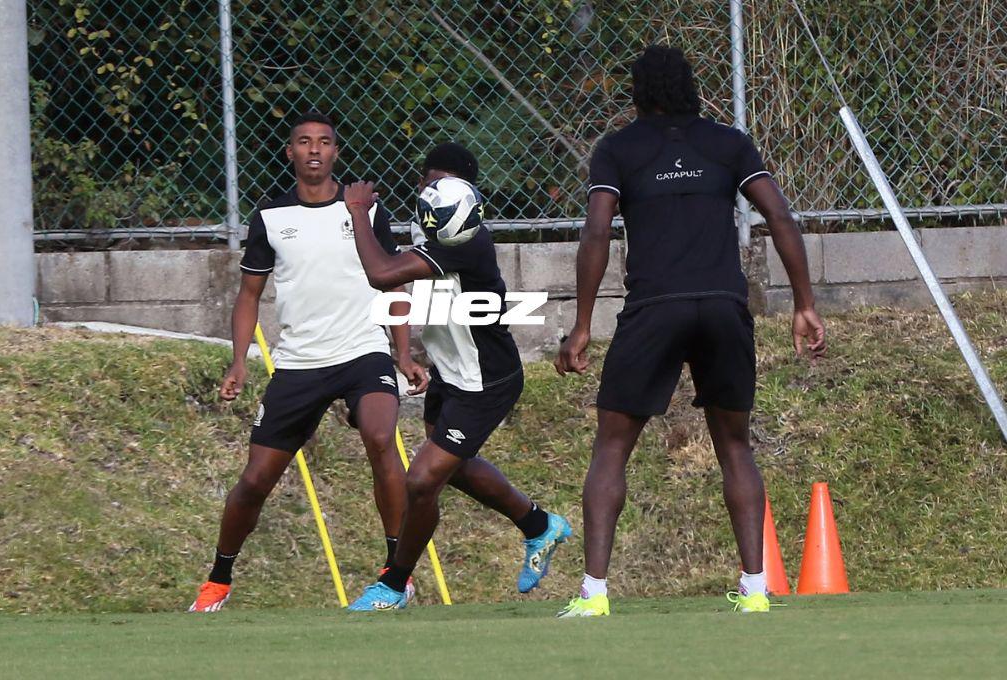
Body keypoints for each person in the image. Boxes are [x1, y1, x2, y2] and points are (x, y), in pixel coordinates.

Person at [555, 46, 826, 617]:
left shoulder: (618, 148)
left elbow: (597, 230)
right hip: (724, 305)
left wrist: (581, 326)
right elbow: (778, 215)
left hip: (655, 307)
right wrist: (804, 304)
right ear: (692, 88)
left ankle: (594, 594)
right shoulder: (728, 143)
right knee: (734, 444)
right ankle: (755, 590)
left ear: (637, 93)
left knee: (612, 447)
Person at [188, 110, 429, 612]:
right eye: (304, 142)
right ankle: (218, 578)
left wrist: (403, 354)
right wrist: (239, 361)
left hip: (363, 348)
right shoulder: (271, 217)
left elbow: (392, 283)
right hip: (299, 362)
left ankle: (395, 574)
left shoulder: (365, 210)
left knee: (381, 437)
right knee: (255, 480)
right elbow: (248, 295)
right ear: (290, 152)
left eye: (324, 142)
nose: (314, 150)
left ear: (336, 152)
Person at [343, 143, 572, 611]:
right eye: (428, 182)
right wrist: (405, 353)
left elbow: (380, 272)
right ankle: (538, 526)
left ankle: (393, 583)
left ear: (467, 195)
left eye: (444, 183)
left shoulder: (467, 238)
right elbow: (395, 282)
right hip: (452, 370)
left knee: (423, 481)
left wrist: (358, 215)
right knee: (456, 466)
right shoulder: (430, 221)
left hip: (485, 378)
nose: (433, 191)